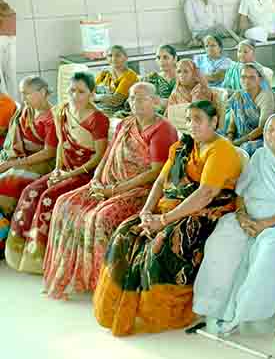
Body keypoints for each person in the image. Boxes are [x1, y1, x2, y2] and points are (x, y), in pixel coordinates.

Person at [93, 100, 242, 336]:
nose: (192, 125)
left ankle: (163, 312)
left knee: (160, 244)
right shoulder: (183, 147)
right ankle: (119, 307)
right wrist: (146, 211)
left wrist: (163, 221)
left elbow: (205, 194)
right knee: (125, 232)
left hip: (206, 211)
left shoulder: (221, 150)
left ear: (214, 122)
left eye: (198, 119)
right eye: (189, 119)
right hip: (170, 207)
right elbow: (161, 182)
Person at [42, 83, 179, 300]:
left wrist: (114, 190)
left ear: (155, 101)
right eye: (132, 98)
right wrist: (96, 180)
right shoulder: (125, 123)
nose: (135, 103)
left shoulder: (163, 129)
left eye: (141, 98)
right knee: (64, 204)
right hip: (107, 182)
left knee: (100, 217)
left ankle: (104, 284)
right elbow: (107, 154)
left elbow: (155, 173)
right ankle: (73, 275)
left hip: (140, 190)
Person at [193, 113, 275, 335]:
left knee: (267, 247)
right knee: (222, 236)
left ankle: (243, 313)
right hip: (251, 218)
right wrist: (242, 216)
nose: (274, 135)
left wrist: (265, 224)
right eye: (270, 130)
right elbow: (241, 192)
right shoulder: (259, 156)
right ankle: (210, 305)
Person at [6, 72, 110, 273]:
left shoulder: (98, 119)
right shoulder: (63, 111)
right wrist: (57, 170)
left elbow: (99, 157)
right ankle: (19, 252)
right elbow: (61, 146)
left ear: (92, 93)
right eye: (72, 90)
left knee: (47, 197)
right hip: (64, 169)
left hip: (86, 174)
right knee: (31, 191)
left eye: (81, 91)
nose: (75, 96)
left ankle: (42, 259)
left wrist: (69, 175)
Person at [0, 77, 56, 257]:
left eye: (26, 94)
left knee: (6, 184)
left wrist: (12, 164)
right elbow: (13, 141)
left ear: (41, 93)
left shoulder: (53, 117)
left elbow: (49, 153)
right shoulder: (26, 111)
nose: (23, 98)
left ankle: (4, 241)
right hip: (20, 157)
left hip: (42, 163)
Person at [224, 63, 275, 156]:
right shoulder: (238, 96)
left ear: (260, 79)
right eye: (243, 77)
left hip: (263, 138)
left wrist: (237, 142)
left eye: (251, 77)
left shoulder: (266, 97)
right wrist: (230, 137)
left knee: (244, 149)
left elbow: (262, 128)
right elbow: (233, 122)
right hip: (240, 137)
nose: (246, 81)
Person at [167, 59, 225, 126]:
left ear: (193, 74)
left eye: (186, 71)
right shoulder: (176, 92)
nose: (181, 75)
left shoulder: (202, 90)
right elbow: (169, 114)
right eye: (179, 72)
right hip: (179, 128)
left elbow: (202, 116)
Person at [94, 45, 139, 115]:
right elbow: (90, 90)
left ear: (126, 58)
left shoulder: (130, 76)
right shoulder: (104, 73)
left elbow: (116, 100)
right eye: (110, 56)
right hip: (99, 109)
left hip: (118, 113)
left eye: (118, 55)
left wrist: (96, 97)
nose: (113, 59)